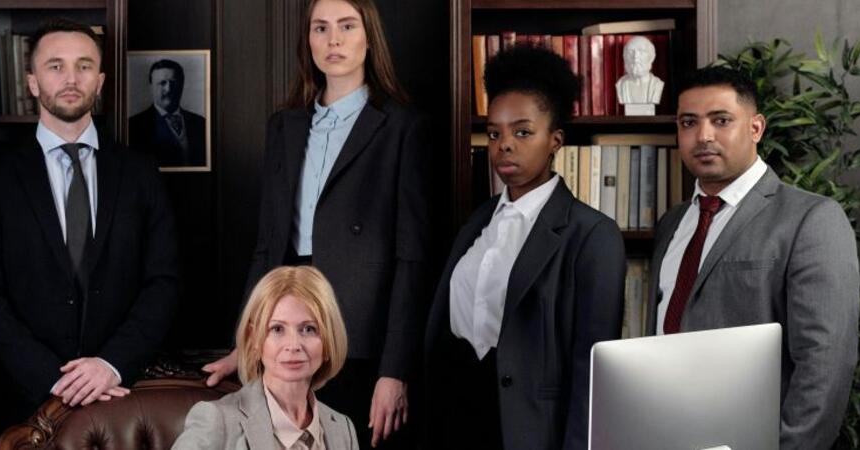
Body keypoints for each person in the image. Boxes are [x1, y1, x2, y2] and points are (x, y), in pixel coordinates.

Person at [201, 0, 431, 447]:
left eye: (347, 26)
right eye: (320, 28)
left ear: (370, 37)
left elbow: (412, 260)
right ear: (307, 40)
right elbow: (268, 247)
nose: (333, 40)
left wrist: (394, 370)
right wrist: (246, 342)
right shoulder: (284, 126)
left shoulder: (403, 127)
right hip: (288, 329)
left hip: (362, 338)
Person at [0, 17, 178, 432]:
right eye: (55, 66)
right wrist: (55, 380)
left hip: (123, 395)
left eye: (84, 66)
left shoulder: (140, 172)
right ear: (32, 82)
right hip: (23, 401)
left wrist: (110, 364)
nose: (70, 78)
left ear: (100, 82)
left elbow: (164, 281)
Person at [422, 45, 626, 449]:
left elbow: (592, 370)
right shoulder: (477, 222)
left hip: (530, 428)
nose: (505, 145)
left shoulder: (592, 234)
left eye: (522, 132)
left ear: (555, 140)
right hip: (455, 414)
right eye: (494, 133)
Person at [650, 66, 859, 450]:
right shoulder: (672, 224)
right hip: (667, 434)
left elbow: (825, 363)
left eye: (721, 120)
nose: (703, 136)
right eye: (688, 122)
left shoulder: (811, 219)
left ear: (756, 128)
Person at [173, 266, 358, 450]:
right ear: (254, 338)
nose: (293, 345)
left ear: (329, 339)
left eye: (309, 329)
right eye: (277, 329)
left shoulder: (343, 429)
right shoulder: (217, 420)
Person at [129, 58, 207, 166]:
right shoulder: (134, 126)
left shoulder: (201, 123)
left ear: (182, 85)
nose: (168, 89)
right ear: (151, 87)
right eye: (162, 83)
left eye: (173, 83)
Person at [615, 36, 664, 105]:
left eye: (641, 52)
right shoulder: (620, 85)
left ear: (651, 57)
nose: (635, 57)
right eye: (631, 52)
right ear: (624, 56)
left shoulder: (657, 85)